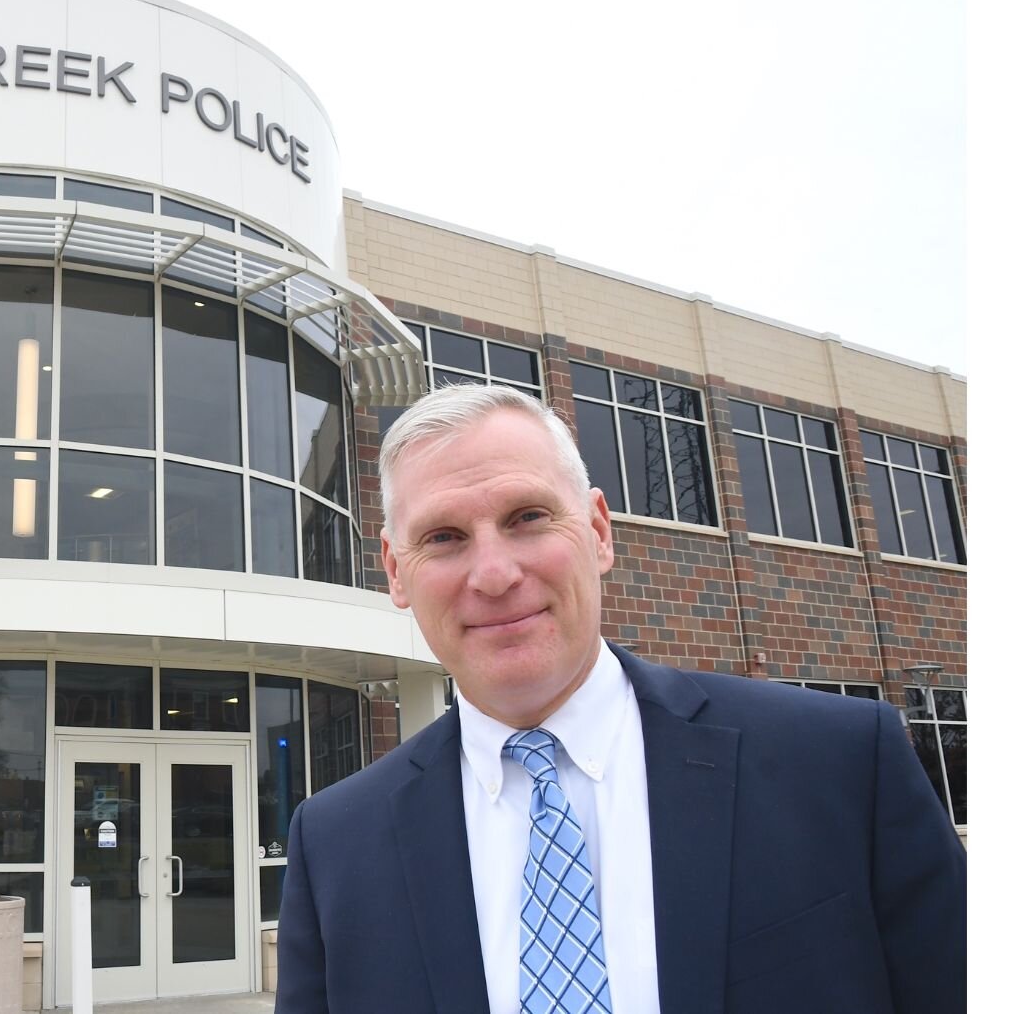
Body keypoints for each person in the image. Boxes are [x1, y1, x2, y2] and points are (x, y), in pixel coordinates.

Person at [274, 384, 965, 1014]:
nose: (492, 573)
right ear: (397, 572)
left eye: (527, 517)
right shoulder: (334, 844)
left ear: (598, 532)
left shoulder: (840, 765)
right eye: (444, 537)